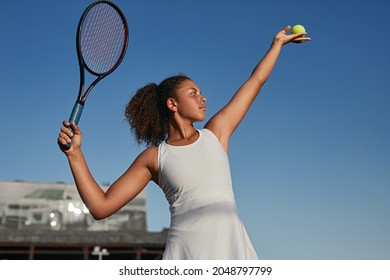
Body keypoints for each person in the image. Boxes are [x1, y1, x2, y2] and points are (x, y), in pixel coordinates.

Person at [58, 26, 310, 259]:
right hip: (185, 256)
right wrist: (75, 154)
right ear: (172, 104)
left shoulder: (217, 132)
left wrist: (276, 45)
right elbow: (101, 207)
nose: (203, 97)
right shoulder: (154, 157)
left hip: (232, 252)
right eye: (194, 93)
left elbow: (255, 81)